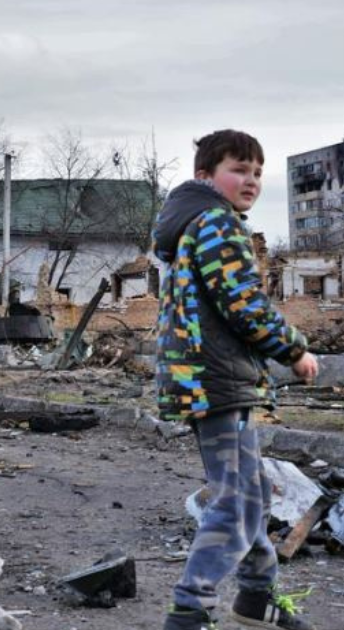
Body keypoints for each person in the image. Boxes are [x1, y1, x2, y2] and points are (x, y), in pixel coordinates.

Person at [153, 130, 320, 630]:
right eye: (238, 170)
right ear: (206, 176)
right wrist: (294, 350)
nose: (250, 181)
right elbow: (243, 303)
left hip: (210, 378)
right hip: (217, 380)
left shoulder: (192, 224)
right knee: (235, 499)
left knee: (251, 494)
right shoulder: (216, 223)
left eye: (257, 172)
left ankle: (255, 598)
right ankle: (189, 608)